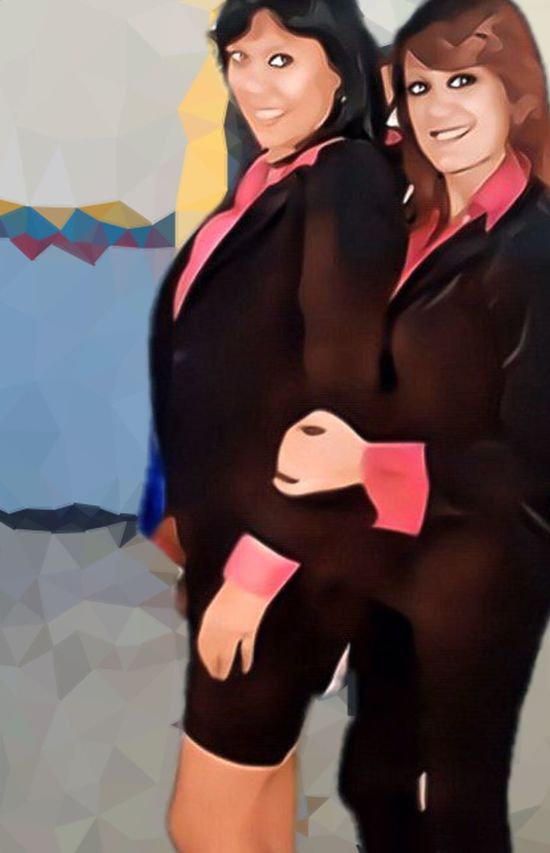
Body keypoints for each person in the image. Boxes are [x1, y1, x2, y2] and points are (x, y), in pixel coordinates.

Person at [274, 1, 550, 849]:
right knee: (373, 777)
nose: (438, 107)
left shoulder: (541, 250)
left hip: (483, 563)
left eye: (465, 81)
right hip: (395, 547)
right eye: (421, 88)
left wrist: (364, 463)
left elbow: (535, 459)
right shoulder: (416, 216)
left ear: (516, 94)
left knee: (458, 802)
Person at [141, 1, 411, 849]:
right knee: (257, 787)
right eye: (239, 58)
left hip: (286, 550)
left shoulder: (347, 180)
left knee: (205, 821)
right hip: (243, 537)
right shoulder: (275, 177)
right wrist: (191, 521)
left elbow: (344, 404)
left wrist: (256, 575)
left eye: (282, 59)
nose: (253, 83)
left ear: (341, 68)